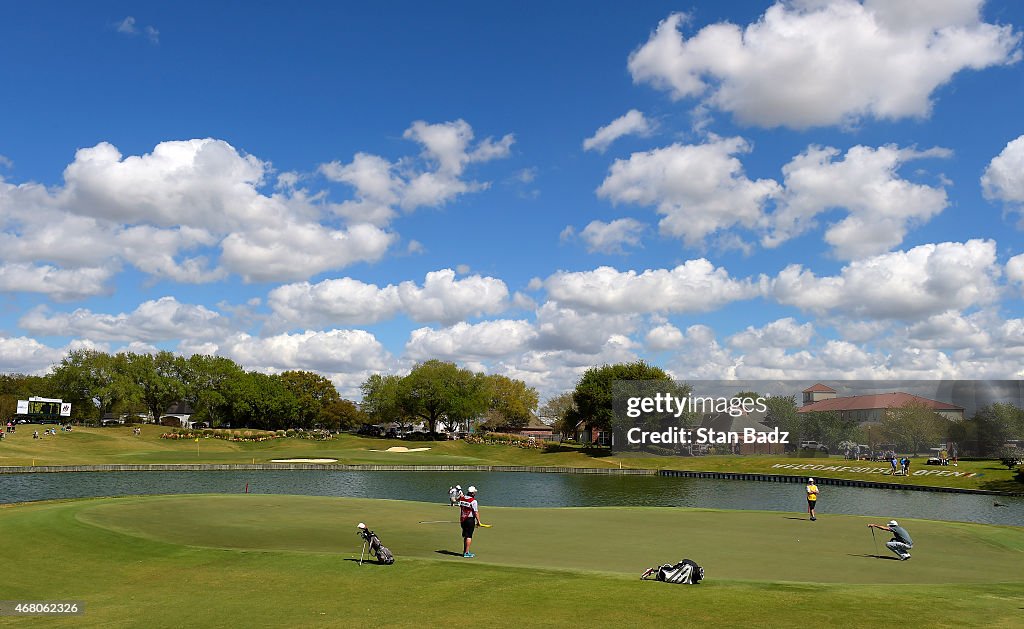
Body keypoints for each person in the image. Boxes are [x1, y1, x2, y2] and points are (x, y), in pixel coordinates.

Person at [457, 485, 484, 558]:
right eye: (474, 492)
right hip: (469, 520)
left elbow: (459, 502)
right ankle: (466, 552)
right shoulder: (473, 501)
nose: (475, 493)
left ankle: (465, 551)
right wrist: (479, 522)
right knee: (469, 536)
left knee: (466, 536)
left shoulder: (462, 498)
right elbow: (476, 512)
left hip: (462, 519)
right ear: (472, 493)